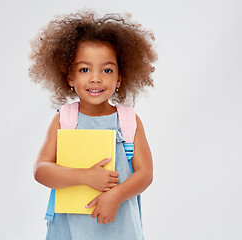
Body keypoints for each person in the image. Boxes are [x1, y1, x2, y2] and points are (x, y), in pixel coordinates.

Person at [28, 11, 157, 240]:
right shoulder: (64, 120)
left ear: (119, 79)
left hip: (119, 227)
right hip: (69, 228)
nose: (96, 78)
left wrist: (115, 195)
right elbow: (41, 170)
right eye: (84, 69)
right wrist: (85, 177)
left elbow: (145, 173)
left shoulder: (128, 121)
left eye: (107, 70)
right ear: (70, 77)